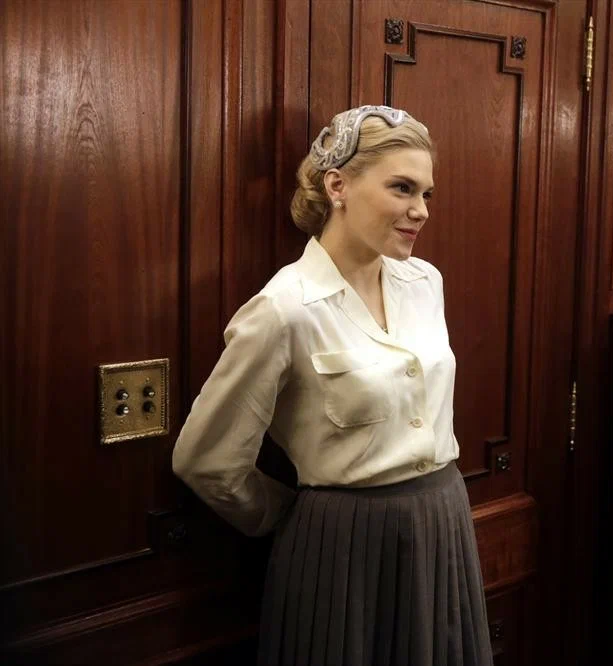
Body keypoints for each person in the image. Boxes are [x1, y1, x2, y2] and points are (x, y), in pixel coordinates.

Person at [172, 105, 494, 666]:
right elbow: (206, 460)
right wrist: (292, 513)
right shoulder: (284, 308)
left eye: (426, 193)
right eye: (402, 188)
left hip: (443, 525)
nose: (421, 210)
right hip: (344, 551)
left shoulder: (425, 282)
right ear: (338, 185)